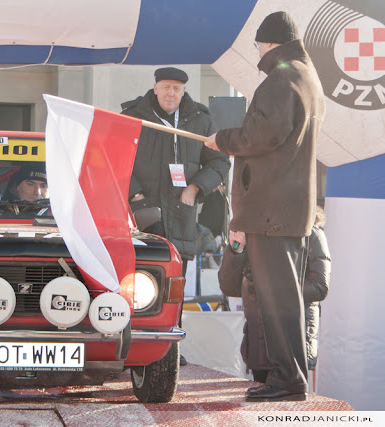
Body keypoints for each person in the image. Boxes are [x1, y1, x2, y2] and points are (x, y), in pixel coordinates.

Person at [205, 11, 326, 401]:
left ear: (268, 42)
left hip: (271, 208)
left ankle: (287, 380)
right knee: (284, 296)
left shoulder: (282, 78)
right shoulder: (307, 77)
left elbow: (262, 134)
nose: (256, 51)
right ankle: (288, 377)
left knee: (277, 298)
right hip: (288, 209)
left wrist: (223, 139)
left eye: (257, 44)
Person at [121, 67, 230, 273]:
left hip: (181, 216)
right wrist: (134, 193)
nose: (171, 93)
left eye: (176, 89)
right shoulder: (132, 117)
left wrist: (195, 187)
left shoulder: (201, 120)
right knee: (142, 284)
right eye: (166, 87)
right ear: (155, 88)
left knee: (175, 286)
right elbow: (114, 157)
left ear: (183, 91)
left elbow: (220, 161)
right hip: (142, 214)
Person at [219, 206, 331, 385]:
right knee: (259, 404)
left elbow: (319, 287)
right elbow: (230, 287)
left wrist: (272, 289)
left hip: (292, 342)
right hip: (258, 339)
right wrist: (236, 251)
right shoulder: (255, 233)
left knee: (286, 404)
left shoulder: (311, 234)